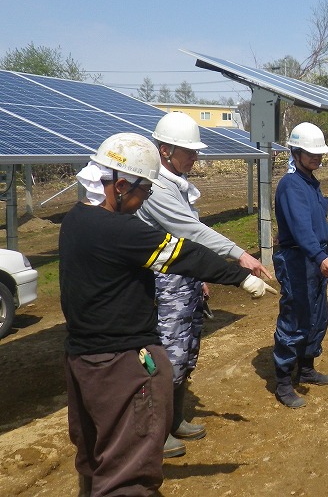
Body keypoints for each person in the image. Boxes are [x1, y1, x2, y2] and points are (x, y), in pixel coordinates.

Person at [60, 133, 271, 497]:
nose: (145, 200)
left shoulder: (76, 220)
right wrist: (240, 278)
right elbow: (185, 253)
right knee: (129, 469)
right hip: (120, 365)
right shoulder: (121, 232)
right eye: (144, 191)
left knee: (96, 458)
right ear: (120, 185)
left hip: (82, 360)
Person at [136, 111, 275, 458]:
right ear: (165, 150)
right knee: (166, 355)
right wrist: (240, 256)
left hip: (185, 279)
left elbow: (189, 243)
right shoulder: (155, 189)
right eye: (190, 151)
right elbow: (191, 232)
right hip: (164, 285)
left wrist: (199, 279)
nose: (196, 157)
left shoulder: (177, 184)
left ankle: (175, 418)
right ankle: (157, 430)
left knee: (186, 351)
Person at [271, 122, 328, 408]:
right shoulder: (291, 185)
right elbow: (300, 228)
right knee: (296, 317)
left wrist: (320, 254)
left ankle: (307, 368)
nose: (317, 158)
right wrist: (319, 256)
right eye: (310, 153)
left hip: (313, 256)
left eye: (319, 153)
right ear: (295, 152)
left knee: (317, 314)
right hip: (298, 258)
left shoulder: (310, 182)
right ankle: (284, 382)